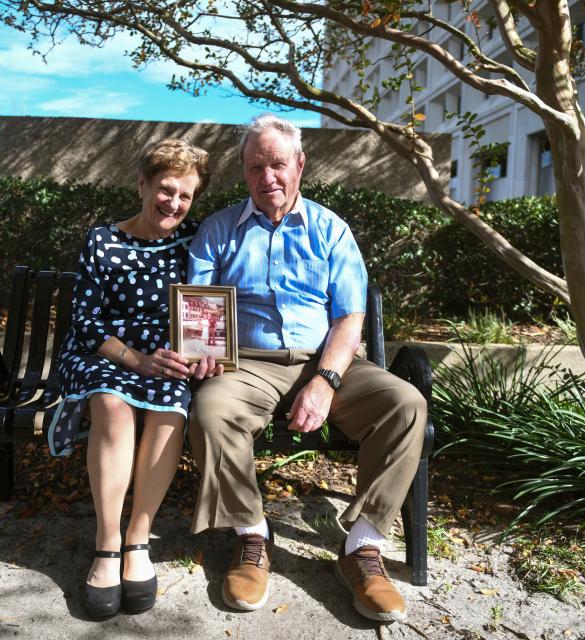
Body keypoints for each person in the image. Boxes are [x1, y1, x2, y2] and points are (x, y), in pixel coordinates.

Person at [187, 115, 427, 622]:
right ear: (244, 171)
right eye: (256, 167)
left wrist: (326, 380)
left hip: (327, 361)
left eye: (278, 163)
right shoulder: (217, 230)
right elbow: (202, 312)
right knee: (209, 410)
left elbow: (349, 318)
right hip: (247, 364)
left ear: (300, 164)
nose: (268, 176)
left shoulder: (331, 230)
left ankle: (361, 548)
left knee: (406, 404)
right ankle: (253, 536)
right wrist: (202, 349)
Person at [53, 138, 223, 620]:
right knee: (110, 403)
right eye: (166, 189)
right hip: (103, 351)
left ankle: (137, 541)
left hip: (165, 358)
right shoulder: (103, 239)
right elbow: (85, 324)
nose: (173, 203)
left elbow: (209, 305)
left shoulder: (196, 239)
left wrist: (206, 352)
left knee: (171, 406)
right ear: (142, 184)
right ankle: (107, 543)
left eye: (185, 195)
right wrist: (134, 359)